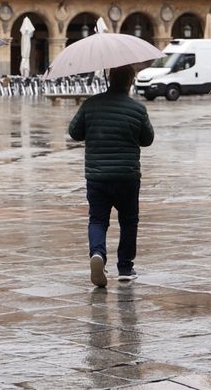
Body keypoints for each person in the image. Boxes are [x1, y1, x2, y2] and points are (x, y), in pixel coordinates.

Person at [68, 64, 154, 287]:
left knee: (97, 219)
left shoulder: (91, 104)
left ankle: (97, 254)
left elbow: (74, 133)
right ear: (129, 82)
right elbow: (147, 139)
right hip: (127, 175)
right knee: (129, 221)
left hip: (97, 176)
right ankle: (125, 267)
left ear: (111, 79)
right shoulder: (137, 109)